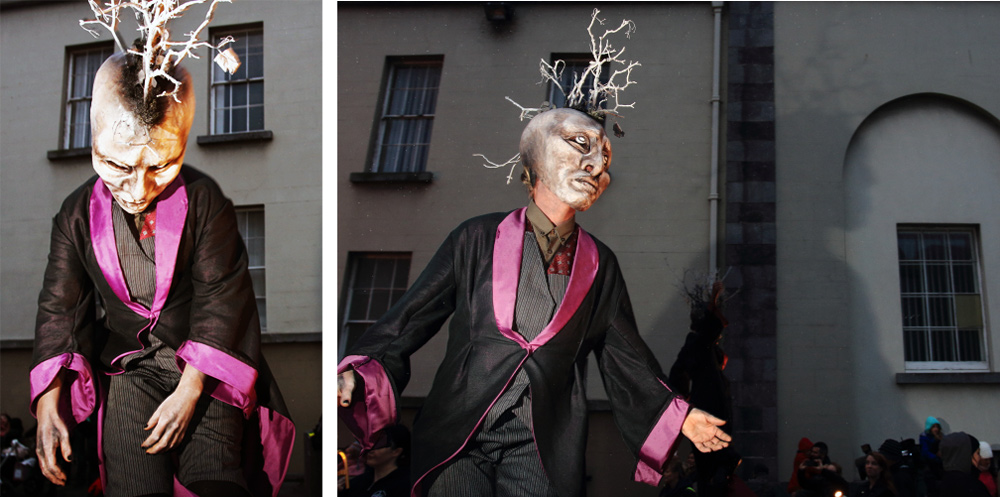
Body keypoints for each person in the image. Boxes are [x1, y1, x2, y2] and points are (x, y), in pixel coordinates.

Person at [338, 106, 732, 497]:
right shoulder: (477, 237)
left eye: (605, 157)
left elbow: (626, 355)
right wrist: (362, 365)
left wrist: (678, 414)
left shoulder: (599, 264)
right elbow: (413, 314)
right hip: (460, 428)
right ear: (536, 157)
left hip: (542, 440)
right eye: (581, 145)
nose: (596, 166)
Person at [29, 49, 293, 497]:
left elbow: (222, 299)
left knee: (215, 482)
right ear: (94, 139)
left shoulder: (206, 201)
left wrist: (191, 391)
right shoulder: (75, 215)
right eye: (118, 166)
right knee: (134, 486)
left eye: (160, 166)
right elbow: (60, 307)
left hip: (207, 377)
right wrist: (48, 403)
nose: (139, 189)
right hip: (129, 372)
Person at [344, 424, 412, 497]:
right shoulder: (358, 482)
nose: (371, 450)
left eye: (379, 445)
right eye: (369, 444)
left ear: (396, 451)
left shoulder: (404, 484)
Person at [938, 432, 989, 497]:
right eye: (978, 453)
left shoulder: (940, 482)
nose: (979, 458)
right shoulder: (972, 487)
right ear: (966, 455)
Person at [919, 416, 944, 497]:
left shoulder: (941, 437)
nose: (936, 429)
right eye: (933, 427)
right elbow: (925, 452)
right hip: (930, 466)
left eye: (937, 427)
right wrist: (936, 457)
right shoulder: (925, 438)